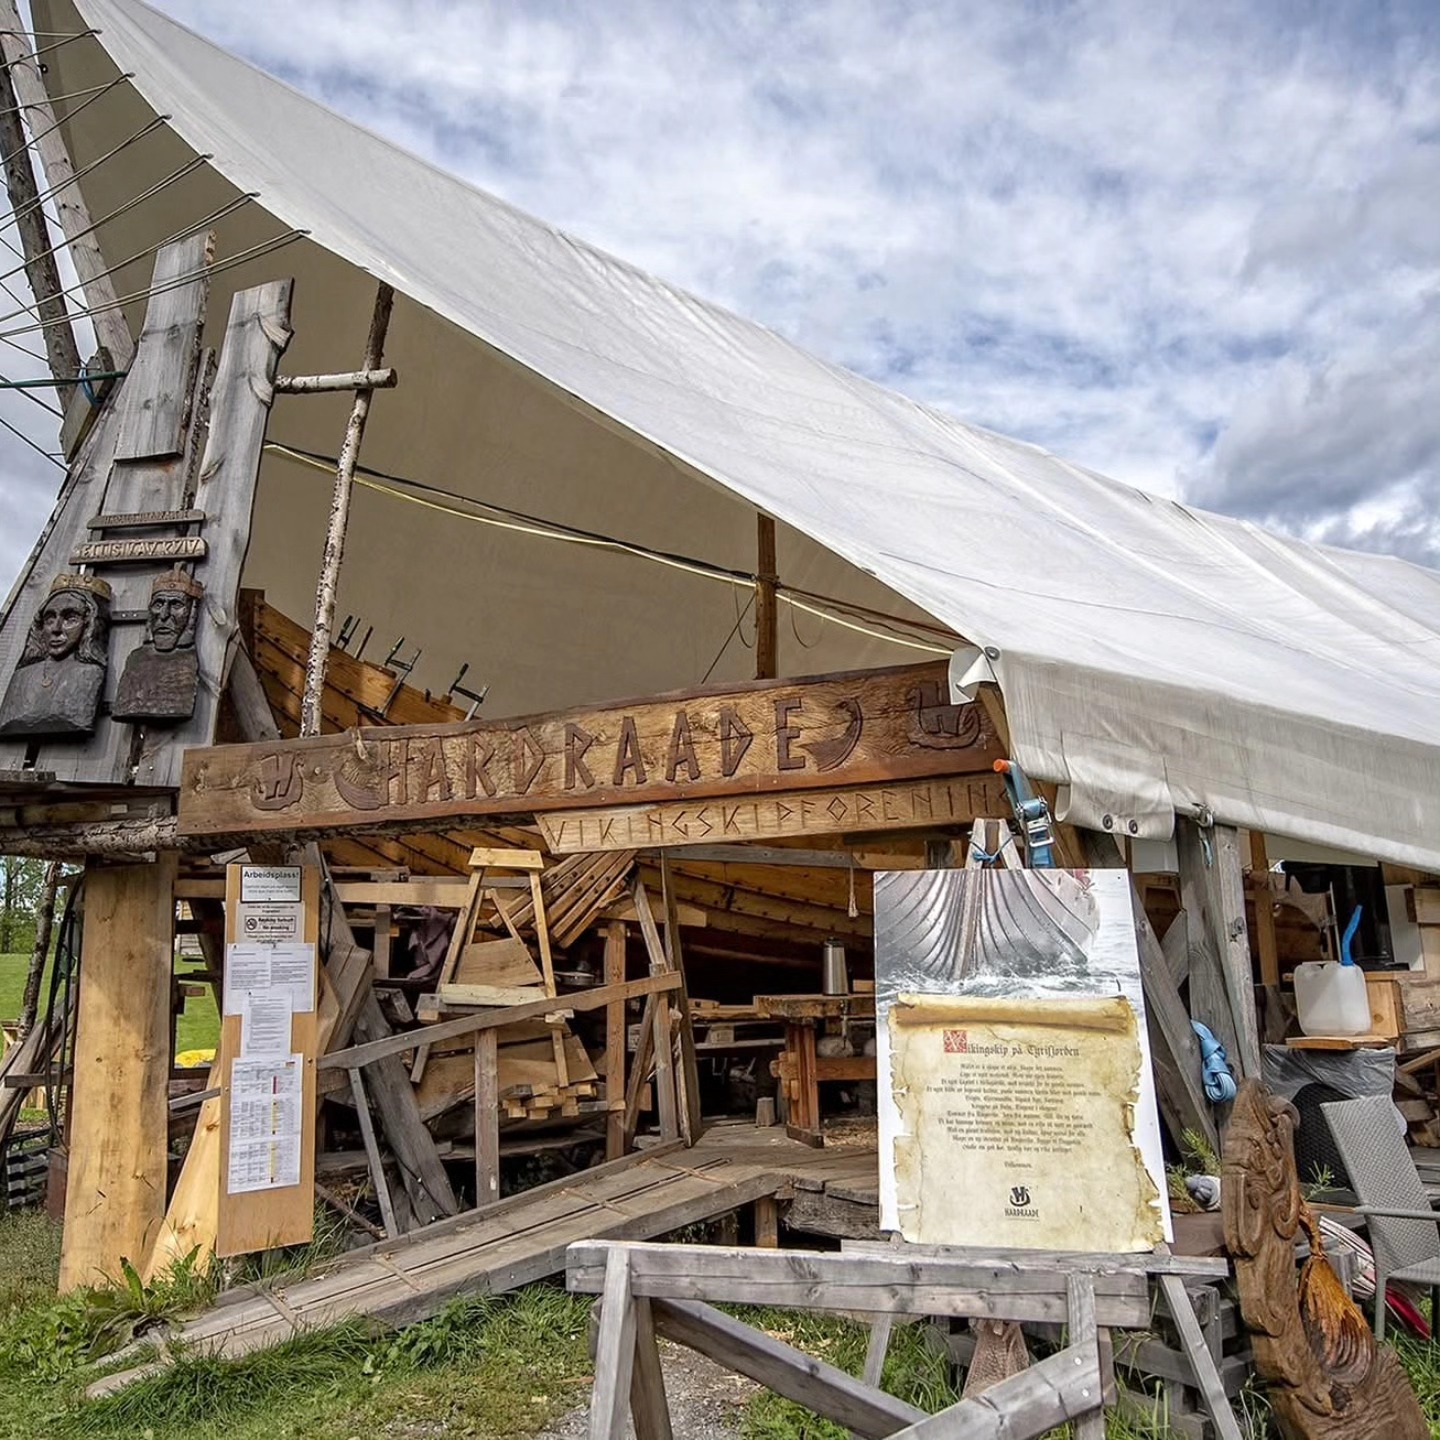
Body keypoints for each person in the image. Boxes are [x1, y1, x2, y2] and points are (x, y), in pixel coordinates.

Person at [0, 573, 111, 736]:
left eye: (70, 619)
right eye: (50, 619)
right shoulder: (21, 677)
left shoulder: (89, 674)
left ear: (89, 624)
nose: (56, 629)